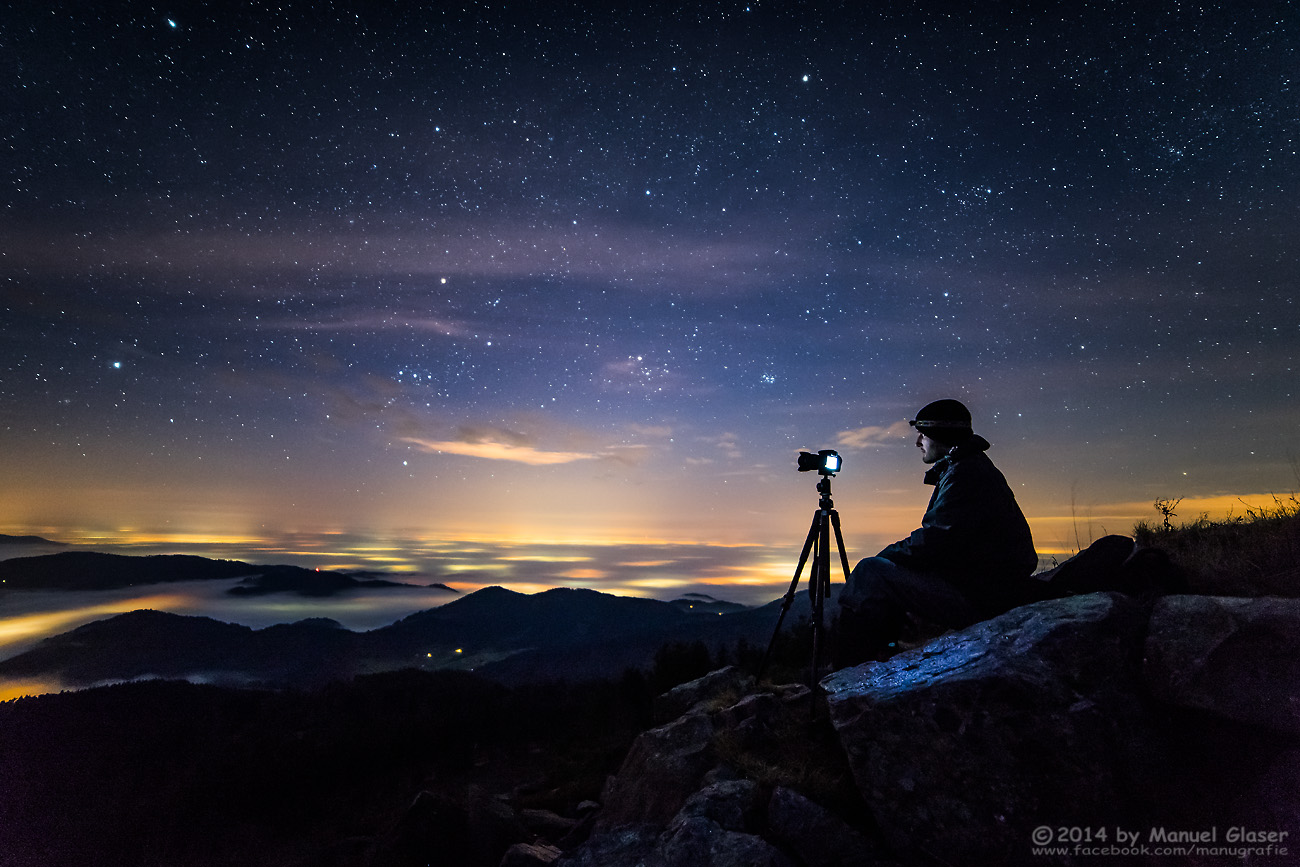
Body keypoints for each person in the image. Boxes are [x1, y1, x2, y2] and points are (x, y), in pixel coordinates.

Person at [834, 399, 1039, 666]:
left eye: (923, 434)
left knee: (870, 571)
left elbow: (934, 541)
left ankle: (853, 669)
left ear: (941, 435)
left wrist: (888, 555)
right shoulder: (967, 468)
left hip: (982, 596)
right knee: (884, 572)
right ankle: (883, 654)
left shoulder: (965, 474)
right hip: (985, 586)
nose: (918, 442)